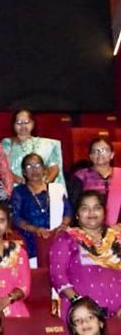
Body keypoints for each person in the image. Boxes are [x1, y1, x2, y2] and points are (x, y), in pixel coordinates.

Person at [49, 191, 121, 321]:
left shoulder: (117, 239)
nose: (91, 213)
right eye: (85, 208)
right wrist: (79, 303)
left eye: (97, 208)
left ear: (104, 212)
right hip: (80, 316)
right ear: (77, 214)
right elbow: (57, 275)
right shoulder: (67, 238)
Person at [11, 152, 70, 259]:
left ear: (44, 169)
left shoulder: (55, 189)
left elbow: (67, 211)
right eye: (29, 166)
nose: (34, 169)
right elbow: (15, 218)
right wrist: (36, 230)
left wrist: (63, 226)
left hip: (56, 237)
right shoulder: (19, 192)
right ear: (24, 172)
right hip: (31, 240)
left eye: (38, 165)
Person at [1, 109, 65, 186]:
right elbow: (2, 169)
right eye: (19, 123)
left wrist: (45, 182)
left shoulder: (46, 144)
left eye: (26, 122)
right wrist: (19, 181)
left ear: (33, 124)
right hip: (15, 189)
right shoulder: (7, 144)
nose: (23, 126)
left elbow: (54, 168)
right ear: (13, 125)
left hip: (41, 189)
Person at [69, 137, 121, 224]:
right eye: (95, 151)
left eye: (104, 150)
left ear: (112, 154)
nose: (100, 154)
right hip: (89, 227)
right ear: (90, 156)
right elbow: (74, 206)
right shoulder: (81, 176)